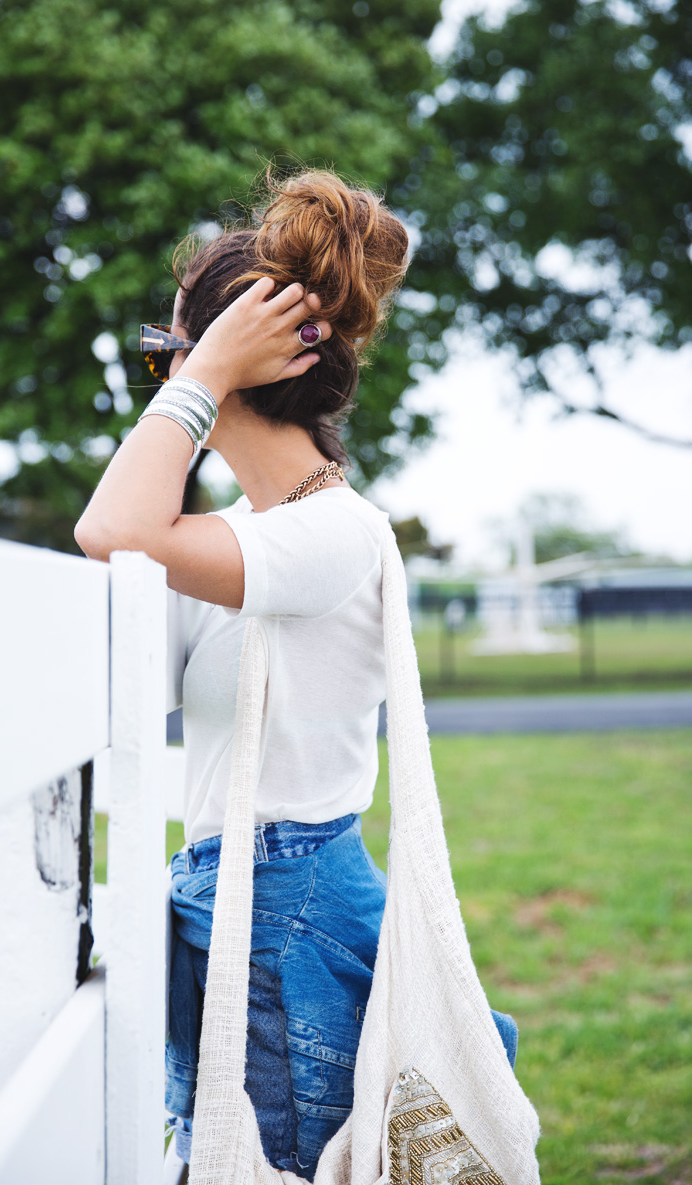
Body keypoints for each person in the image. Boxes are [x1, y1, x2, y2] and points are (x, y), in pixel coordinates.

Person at [74, 168, 517, 1181]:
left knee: (268, 1163)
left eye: (165, 357)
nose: (158, 376)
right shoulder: (240, 535)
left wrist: (201, 375)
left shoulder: (331, 537)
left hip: (283, 909)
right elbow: (125, 543)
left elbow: (109, 528)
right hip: (239, 897)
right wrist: (205, 368)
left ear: (231, 365)